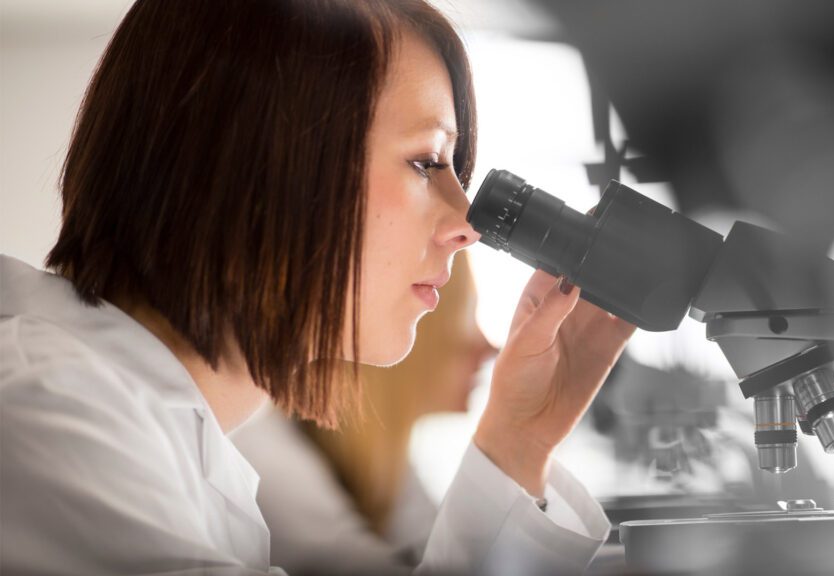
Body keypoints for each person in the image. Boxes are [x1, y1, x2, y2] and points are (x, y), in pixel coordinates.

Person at [0, 0, 636, 575]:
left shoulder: (162, 426)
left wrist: (520, 439)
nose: (465, 225)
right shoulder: (51, 413)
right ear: (261, 165)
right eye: (425, 162)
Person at [231, 251, 498, 573]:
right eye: (468, 314)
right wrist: (518, 442)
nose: (490, 349)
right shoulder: (259, 449)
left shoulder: (387, 466)